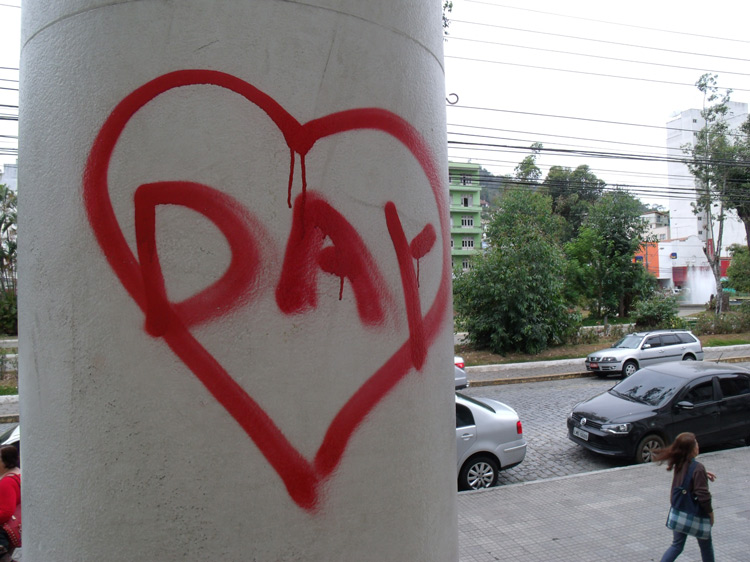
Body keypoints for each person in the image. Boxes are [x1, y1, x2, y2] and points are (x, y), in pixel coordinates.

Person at [655, 432, 716, 562]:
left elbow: (688, 476)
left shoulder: (680, 462)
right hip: (696, 514)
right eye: (696, 443)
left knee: (677, 545)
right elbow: (703, 496)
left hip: (679, 512)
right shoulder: (697, 468)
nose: (698, 445)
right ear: (692, 448)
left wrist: (703, 473)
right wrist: (710, 513)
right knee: (706, 546)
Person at [0, 446, 20, 559]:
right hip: (13, 528)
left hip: (3, 532)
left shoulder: (7, 482)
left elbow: (6, 511)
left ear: (5, 461)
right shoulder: (19, 475)